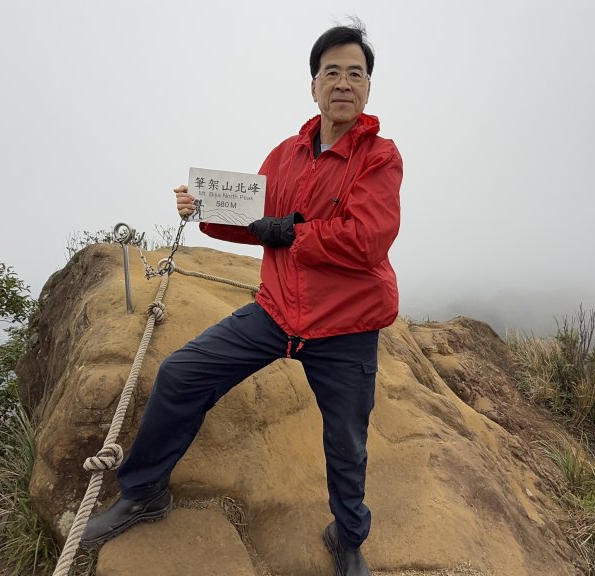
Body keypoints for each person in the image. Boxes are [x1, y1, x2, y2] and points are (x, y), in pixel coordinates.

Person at [81, 23, 402, 576]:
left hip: (345, 327)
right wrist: (201, 209)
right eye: (332, 72)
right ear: (313, 86)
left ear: (369, 88)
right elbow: (255, 221)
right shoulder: (287, 154)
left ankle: (347, 537)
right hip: (278, 312)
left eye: (356, 74)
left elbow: (369, 237)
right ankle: (146, 490)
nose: (343, 83)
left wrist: (292, 233)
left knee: (347, 442)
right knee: (181, 374)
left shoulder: (379, 157)